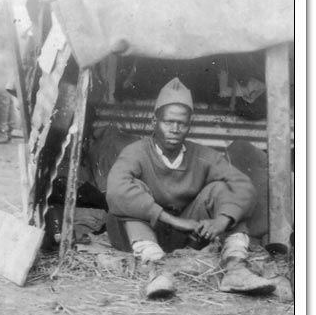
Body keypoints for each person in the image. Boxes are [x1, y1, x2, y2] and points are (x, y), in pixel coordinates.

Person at [105, 77, 275, 299]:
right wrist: (174, 220)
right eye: (168, 122)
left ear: (189, 125)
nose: (175, 129)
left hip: (184, 236)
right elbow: (116, 190)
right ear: (154, 121)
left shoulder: (201, 155)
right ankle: (157, 271)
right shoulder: (136, 152)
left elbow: (243, 185)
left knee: (222, 190)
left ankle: (235, 268)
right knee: (132, 191)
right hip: (139, 234)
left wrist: (222, 220)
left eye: (182, 124)